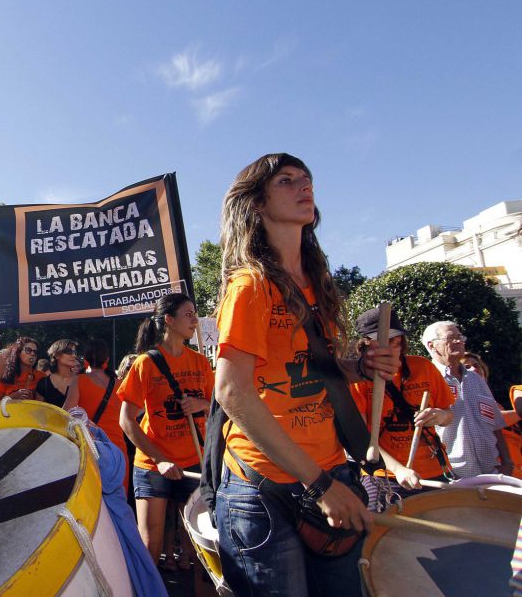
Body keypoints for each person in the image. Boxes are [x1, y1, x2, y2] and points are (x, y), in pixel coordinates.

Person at [213, 154, 400, 596]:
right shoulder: (250, 286)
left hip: (331, 471)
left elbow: (315, 369)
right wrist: (318, 486)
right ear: (257, 203)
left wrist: (361, 368)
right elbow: (231, 392)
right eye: (287, 180)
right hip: (264, 490)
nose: (305, 187)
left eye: (307, 180)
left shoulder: (317, 283)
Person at [117, 294, 213, 568]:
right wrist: (160, 459)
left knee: (197, 546)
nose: (195, 319)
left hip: (194, 460)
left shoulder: (201, 363)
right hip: (151, 465)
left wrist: (202, 404)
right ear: (169, 320)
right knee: (151, 544)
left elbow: (220, 409)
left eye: (195, 313)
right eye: (188, 314)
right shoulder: (145, 364)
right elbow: (127, 420)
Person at [349, 306, 455, 509]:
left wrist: (439, 416)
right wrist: (398, 470)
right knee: (384, 536)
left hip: (433, 469)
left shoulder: (423, 367)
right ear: (366, 343)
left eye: (397, 340)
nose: (395, 346)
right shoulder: (356, 380)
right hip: (384, 475)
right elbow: (361, 439)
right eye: (388, 341)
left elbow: (449, 415)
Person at [423, 321, 512, 478]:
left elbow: (495, 422)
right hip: (452, 474)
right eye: (451, 337)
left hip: (492, 471)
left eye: (460, 337)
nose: (459, 341)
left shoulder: (476, 379)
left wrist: (507, 462)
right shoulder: (426, 380)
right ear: (432, 345)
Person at [78, 339, 129, 477]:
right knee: (118, 496)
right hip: (118, 449)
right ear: (107, 359)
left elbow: (67, 413)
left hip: (92, 447)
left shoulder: (79, 381)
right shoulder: (120, 384)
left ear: (85, 359)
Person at [0, 336, 41, 401]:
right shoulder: (6, 375)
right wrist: (12, 397)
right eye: (28, 350)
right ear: (18, 352)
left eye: (35, 352)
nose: (33, 354)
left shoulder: (41, 376)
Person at [35, 339, 83, 408]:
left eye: (75, 352)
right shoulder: (44, 383)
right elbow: (38, 411)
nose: (74, 355)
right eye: (69, 352)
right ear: (57, 355)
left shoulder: (81, 381)